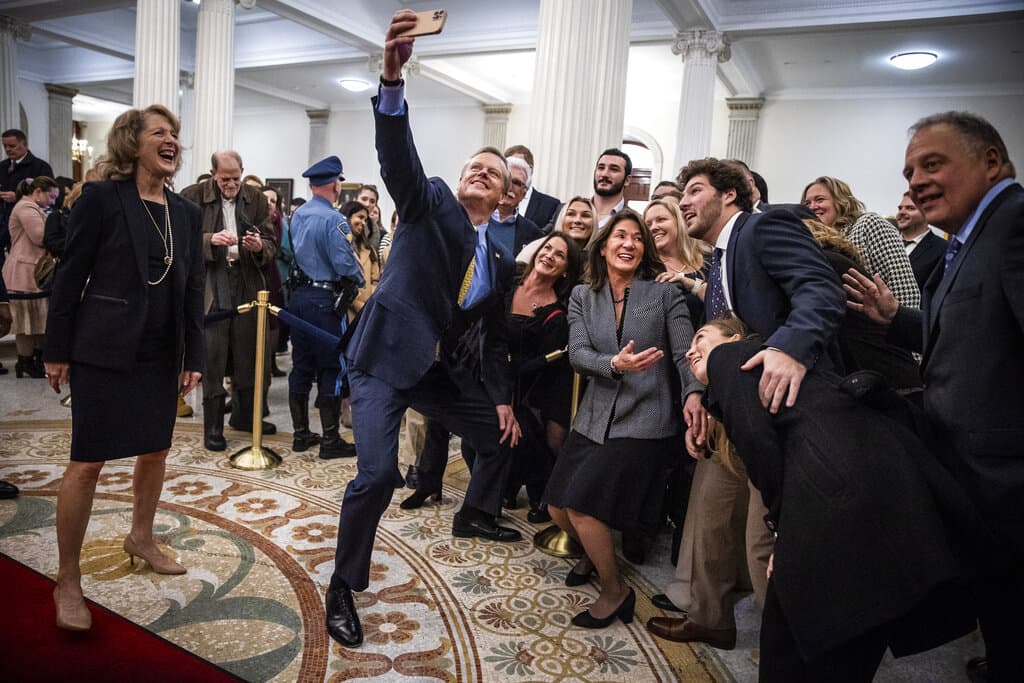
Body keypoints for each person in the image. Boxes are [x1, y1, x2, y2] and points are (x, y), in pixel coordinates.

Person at [327, 9, 523, 648]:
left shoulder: (497, 256)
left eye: (492, 174)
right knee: (378, 475)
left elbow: (491, 335)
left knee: (499, 438)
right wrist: (391, 79)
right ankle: (342, 585)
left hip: (440, 371)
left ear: (503, 200)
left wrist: (497, 397)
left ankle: (475, 513)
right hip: (384, 356)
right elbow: (397, 159)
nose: (480, 173)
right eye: (476, 165)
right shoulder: (431, 199)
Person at [683, 318, 987, 682]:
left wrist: (784, 531)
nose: (691, 350)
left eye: (701, 338)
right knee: (850, 639)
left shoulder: (731, 357)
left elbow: (759, 443)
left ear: (734, 338)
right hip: (880, 484)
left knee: (793, 653)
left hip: (837, 501)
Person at [844, 111, 1023, 683]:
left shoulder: (1015, 224)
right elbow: (970, 330)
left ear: (991, 160)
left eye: (933, 163)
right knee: (1000, 602)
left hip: (1008, 474)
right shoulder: (969, 239)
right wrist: (895, 318)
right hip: (978, 472)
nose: (915, 180)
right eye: (909, 170)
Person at [42, 104, 204, 632]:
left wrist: (193, 357)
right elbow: (71, 277)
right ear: (132, 144)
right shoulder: (102, 199)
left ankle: (141, 536)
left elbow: (193, 291)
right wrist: (56, 348)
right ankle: (68, 579)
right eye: (160, 132)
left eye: (175, 134)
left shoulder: (184, 212)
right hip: (103, 349)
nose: (172, 140)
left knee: (155, 450)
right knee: (88, 462)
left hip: (161, 354)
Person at [543, 209, 705, 629]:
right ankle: (590, 555)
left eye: (637, 237)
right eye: (620, 236)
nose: (629, 243)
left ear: (644, 249)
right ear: (604, 245)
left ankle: (615, 592)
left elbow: (687, 355)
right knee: (557, 509)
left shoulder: (664, 294)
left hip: (646, 418)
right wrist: (613, 363)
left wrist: (693, 395)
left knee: (581, 510)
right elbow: (578, 354)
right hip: (594, 415)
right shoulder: (583, 295)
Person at [180, 151, 278, 449]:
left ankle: (245, 417)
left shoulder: (257, 198)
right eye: (225, 179)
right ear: (213, 175)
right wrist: (211, 240)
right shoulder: (192, 196)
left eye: (236, 178)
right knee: (213, 354)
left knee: (249, 352)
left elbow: (271, 243)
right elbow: (180, 241)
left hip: (247, 282)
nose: (231, 184)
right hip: (211, 285)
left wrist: (259, 245)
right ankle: (213, 428)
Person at [286, 156, 364, 459]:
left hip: (300, 299)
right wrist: (358, 277)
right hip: (325, 301)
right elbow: (344, 263)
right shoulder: (335, 219)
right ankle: (331, 441)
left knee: (301, 365)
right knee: (332, 366)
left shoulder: (299, 215)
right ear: (335, 184)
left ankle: (300, 434)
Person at [803, 176, 919, 308]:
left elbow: (905, 289)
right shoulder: (811, 242)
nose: (812, 207)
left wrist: (902, 323)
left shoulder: (868, 224)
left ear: (840, 201)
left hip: (881, 323)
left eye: (820, 200)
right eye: (807, 203)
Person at [2, 175, 59, 378]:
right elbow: (40, 236)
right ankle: (25, 361)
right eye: (51, 197)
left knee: (37, 319)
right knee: (26, 321)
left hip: (30, 270)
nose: (53, 202)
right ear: (37, 193)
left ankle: (33, 359)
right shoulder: (26, 209)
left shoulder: (32, 208)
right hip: (24, 271)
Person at [516, 196, 596, 268]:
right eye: (571, 214)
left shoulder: (599, 259)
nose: (577, 220)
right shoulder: (537, 248)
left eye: (585, 216)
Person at [895, 190, 945, 287]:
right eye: (900, 208)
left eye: (910, 208)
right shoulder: (886, 244)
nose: (901, 212)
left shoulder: (942, 250)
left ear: (927, 213)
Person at [505, 144, 561, 230]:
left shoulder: (551, 205)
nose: (512, 169)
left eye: (519, 164)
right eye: (509, 164)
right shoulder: (494, 199)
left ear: (530, 169)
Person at [592, 149, 631, 227]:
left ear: (627, 180)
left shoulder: (634, 221)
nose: (604, 174)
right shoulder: (569, 213)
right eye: (601, 168)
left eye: (614, 169)